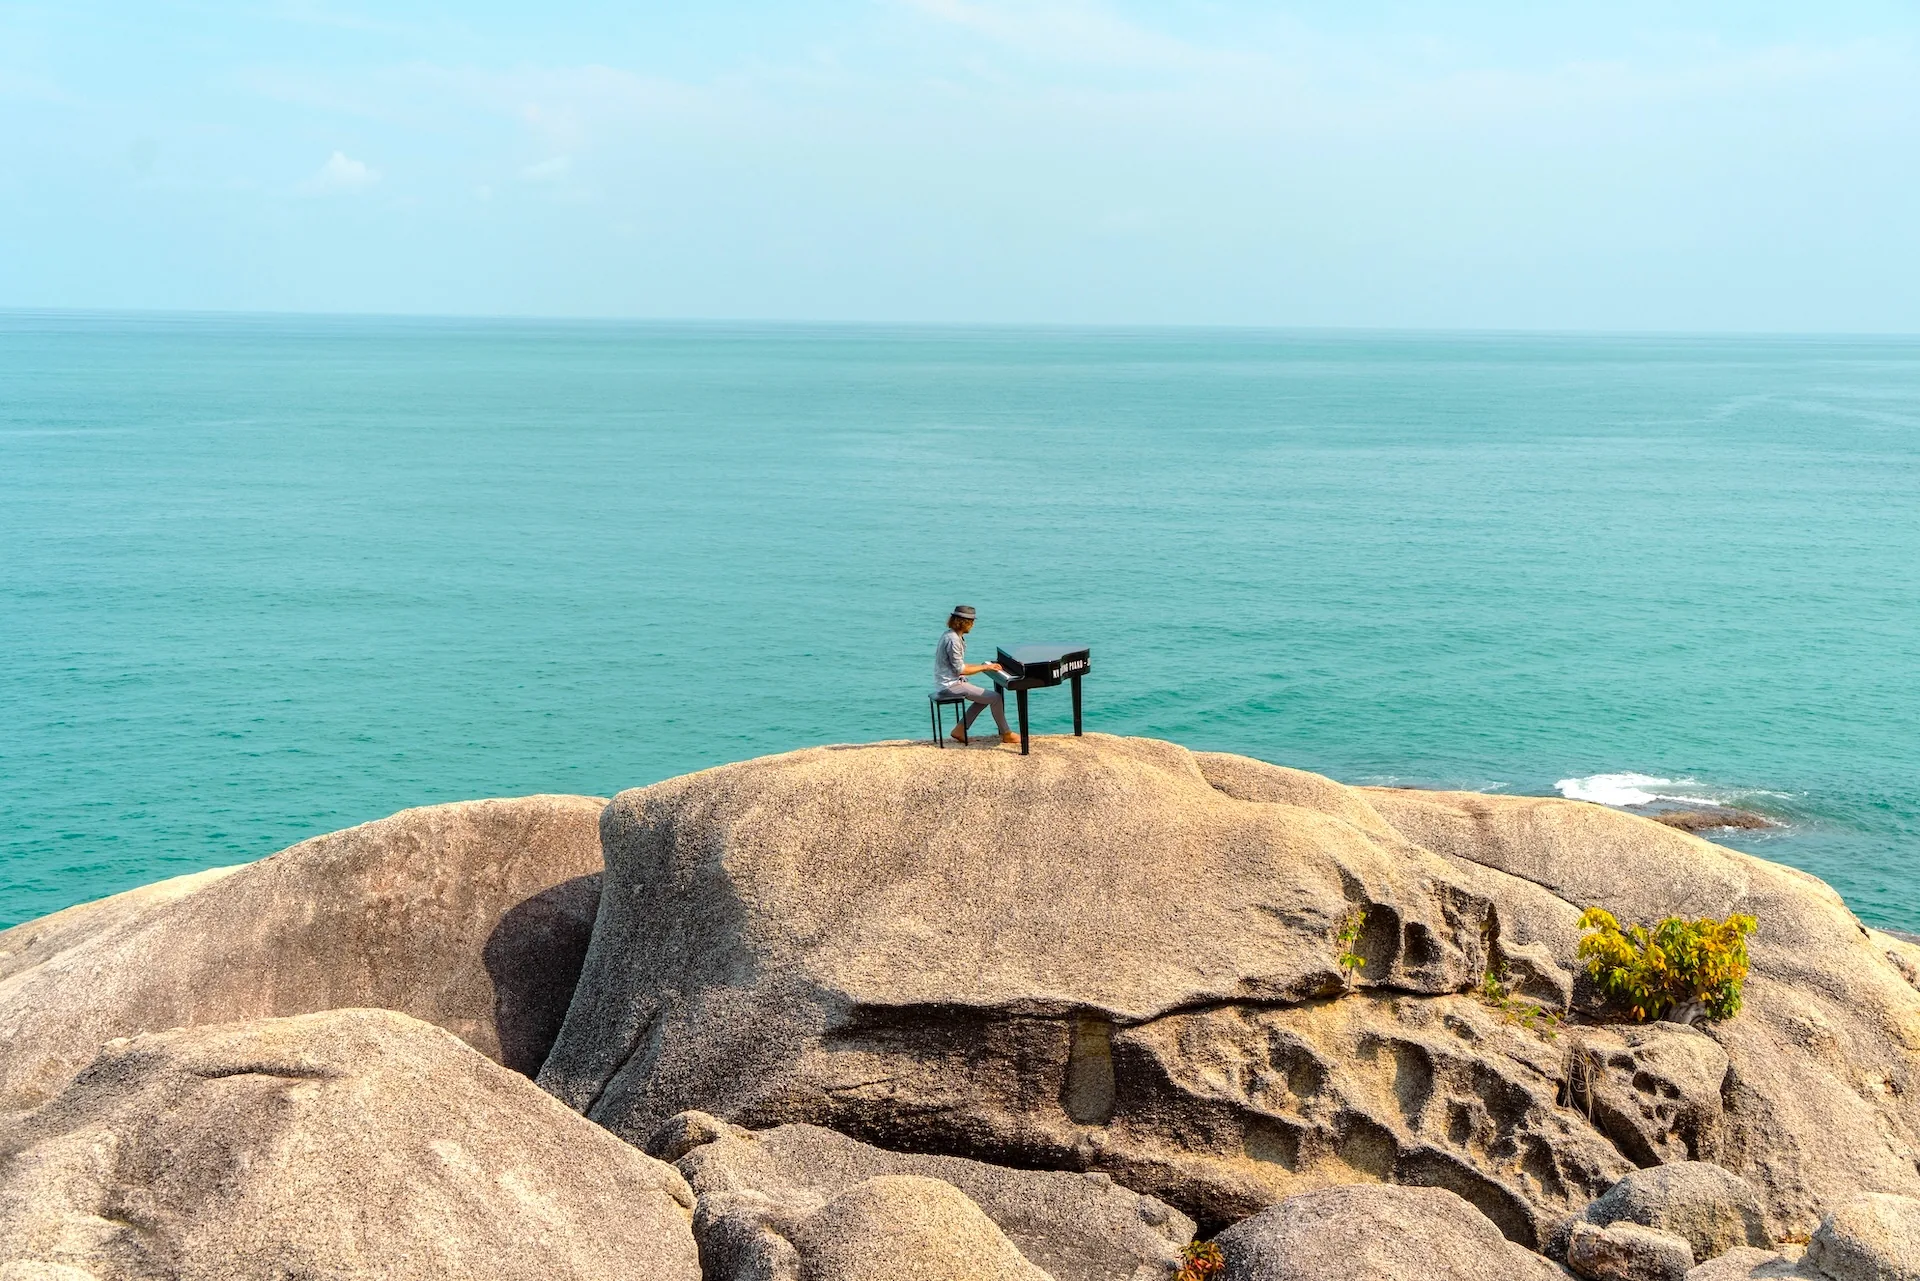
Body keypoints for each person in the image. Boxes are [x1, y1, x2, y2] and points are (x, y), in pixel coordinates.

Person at [934, 605, 1018, 745]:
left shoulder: (949, 635)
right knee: (995, 698)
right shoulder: (954, 640)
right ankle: (1007, 734)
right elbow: (960, 669)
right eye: (971, 621)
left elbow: (959, 665)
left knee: (984, 698)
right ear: (964, 622)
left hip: (950, 681)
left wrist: (986, 666)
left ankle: (960, 729)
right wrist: (985, 667)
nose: (972, 625)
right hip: (949, 685)